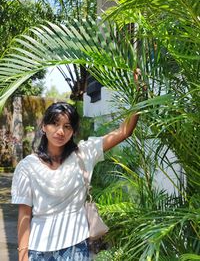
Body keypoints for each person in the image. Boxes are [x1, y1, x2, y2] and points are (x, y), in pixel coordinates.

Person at [11, 101, 139, 261]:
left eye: (67, 126)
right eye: (54, 124)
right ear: (44, 126)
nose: (60, 131)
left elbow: (124, 131)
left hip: (76, 247)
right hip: (38, 250)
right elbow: (24, 214)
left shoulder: (85, 153)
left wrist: (139, 94)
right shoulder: (27, 166)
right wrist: (22, 256)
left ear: (73, 131)